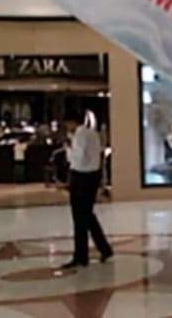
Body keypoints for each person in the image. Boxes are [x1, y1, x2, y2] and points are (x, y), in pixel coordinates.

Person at [61, 112, 113, 269]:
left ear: (71, 122)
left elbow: (78, 159)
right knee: (87, 215)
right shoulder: (92, 134)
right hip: (92, 177)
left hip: (81, 177)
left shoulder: (79, 135)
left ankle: (81, 255)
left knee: (79, 217)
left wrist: (68, 149)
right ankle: (103, 248)